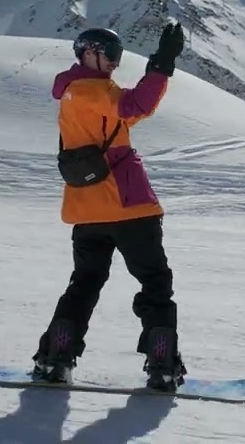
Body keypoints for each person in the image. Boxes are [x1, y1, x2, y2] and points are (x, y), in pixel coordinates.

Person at [31, 22, 187, 391]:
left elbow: (127, 115)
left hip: (88, 213)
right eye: (110, 55)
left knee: (84, 284)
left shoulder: (76, 92)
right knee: (154, 283)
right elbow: (136, 104)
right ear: (88, 52)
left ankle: (56, 358)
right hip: (129, 206)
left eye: (118, 57)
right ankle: (163, 364)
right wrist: (163, 64)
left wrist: (152, 77)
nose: (115, 63)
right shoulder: (91, 89)